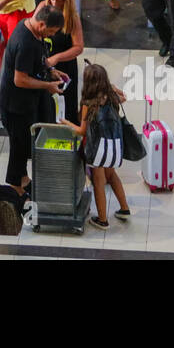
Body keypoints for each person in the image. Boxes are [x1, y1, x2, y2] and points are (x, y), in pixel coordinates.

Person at [0, 6, 67, 194]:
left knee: (25, 144)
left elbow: (38, 58)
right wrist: (47, 86)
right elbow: (20, 79)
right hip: (15, 105)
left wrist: (50, 71)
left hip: (27, 102)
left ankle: (24, 180)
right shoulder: (25, 42)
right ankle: (15, 189)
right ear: (42, 24)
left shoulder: (31, 29)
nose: (51, 36)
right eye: (50, 32)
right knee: (18, 147)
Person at [61, 62, 132, 229]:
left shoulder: (89, 103)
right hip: (114, 146)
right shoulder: (112, 98)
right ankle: (124, 208)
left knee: (98, 181)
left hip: (98, 148)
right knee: (112, 175)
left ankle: (102, 219)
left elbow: (82, 131)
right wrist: (113, 88)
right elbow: (124, 97)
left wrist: (66, 123)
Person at [37, 0, 84, 125]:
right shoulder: (42, 8)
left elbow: (78, 47)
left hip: (65, 67)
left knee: (66, 106)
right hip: (45, 65)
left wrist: (57, 58)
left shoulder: (72, 18)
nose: (55, 4)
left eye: (59, 1)